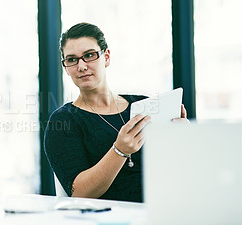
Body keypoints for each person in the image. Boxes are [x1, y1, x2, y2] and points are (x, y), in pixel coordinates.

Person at [43, 22, 188, 202]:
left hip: (163, 208)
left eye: (89, 55)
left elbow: (177, 169)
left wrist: (184, 140)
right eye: (72, 59)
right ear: (65, 67)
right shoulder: (63, 121)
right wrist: (119, 151)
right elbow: (79, 192)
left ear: (107, 57)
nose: (81, 66)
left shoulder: (144, 105)